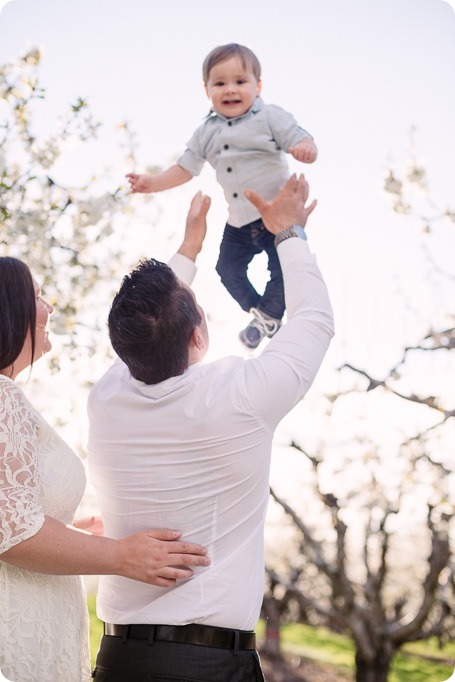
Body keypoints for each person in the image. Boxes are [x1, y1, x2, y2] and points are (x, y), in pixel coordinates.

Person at [87, 175, 334, 681]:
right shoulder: (241, 395)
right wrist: (288, 233)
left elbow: (146, 327)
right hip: (209, 665)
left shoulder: (106, 399)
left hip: (119, 662)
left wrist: (188, 250)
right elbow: (313, 321)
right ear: (199, 334)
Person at [0, 234, 211, 680]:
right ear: (8, 311)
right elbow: (15, 538)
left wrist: (73, 533)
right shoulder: (2, 399)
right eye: (37, 295)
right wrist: (120, 556)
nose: (48, 306)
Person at [126, 42, 318, 349]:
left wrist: (306, 148)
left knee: (281, 270)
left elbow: (300, 136)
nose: (230, 89)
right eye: (220, 83)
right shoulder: (206, 132)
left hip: (275, 217)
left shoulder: (270, 117)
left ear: (258, 85)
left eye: (240, 82)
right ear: (207, 91)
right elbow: (185, 168)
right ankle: (263, 314)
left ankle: (268, 313)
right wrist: (152, 183)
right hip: (239, 221)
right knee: (226, 269)